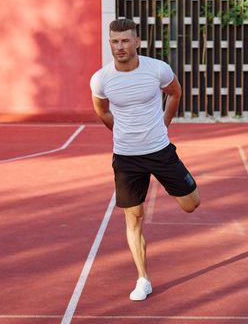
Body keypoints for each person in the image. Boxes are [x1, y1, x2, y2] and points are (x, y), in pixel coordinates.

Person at [90, 18, 201, 301]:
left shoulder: (157, 69)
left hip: (160, 151)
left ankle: (175, 185)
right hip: (126, 158)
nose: (120, 47)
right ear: (110, 44)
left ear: (137, 42)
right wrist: (123, 132)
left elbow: (175, 92)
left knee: (191, 204)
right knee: (134, 218)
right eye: (114, 41)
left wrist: (164, 122)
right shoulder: (102, 79)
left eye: (125, 40)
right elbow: (102, 111)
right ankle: (143, 279)